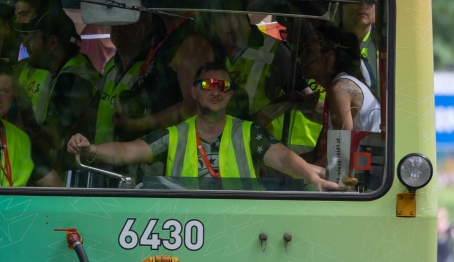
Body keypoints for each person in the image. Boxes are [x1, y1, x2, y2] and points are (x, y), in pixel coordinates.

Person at [69, 63, 344, 192]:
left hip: (243, 227)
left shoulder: (249, 133)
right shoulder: (174, 134)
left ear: (230, 95)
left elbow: (284, 158)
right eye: (206, 85)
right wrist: (90, 149)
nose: (215, 91)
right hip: (186, 227)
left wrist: (313, 177)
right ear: (193, 92)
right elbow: (127, 152)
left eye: (223, 86)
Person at [18, 11, 99, 163]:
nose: (26, 44)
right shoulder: (77, 64)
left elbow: (51, 143)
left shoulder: (69, 80)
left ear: (53, 42)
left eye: (31, 38)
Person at [93, 14, 182, 144]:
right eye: (115, 24)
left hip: (128, 155)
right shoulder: (111, 66)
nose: (118, 29)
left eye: (128, 24)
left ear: (147, 29)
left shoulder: (152, 70)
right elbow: (92, 111)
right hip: (100, 155)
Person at [299, 27, 381, 134]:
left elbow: (341, 148)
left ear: (329, 57)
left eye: (309, 51)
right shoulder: (340, 85)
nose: (301, 57)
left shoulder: (339, 89)